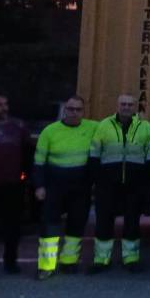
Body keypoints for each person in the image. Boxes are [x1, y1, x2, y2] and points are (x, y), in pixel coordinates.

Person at [34, 96, 98, 280]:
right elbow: (39, 162)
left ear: (83, 112)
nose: (74, 113)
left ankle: (69, 262)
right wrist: (39, 186)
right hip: (54, 186)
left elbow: (113, 128)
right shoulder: (50, 131)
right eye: (71, 109)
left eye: (78, 109)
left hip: (80, 187)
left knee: (76, 225)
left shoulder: (92, 127)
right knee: (50, 226)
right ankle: (46, 266)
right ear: (65, 110)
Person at [89, 94, 150, 274]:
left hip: (134, 185)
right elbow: (94, 154)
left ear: (135, 107)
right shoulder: (104, 126)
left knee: (132, 222)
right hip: (107, 184)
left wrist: (146, 186)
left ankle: (131, 259)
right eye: (123, 104)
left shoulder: (145, 127)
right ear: (117, 105)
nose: (126, 107)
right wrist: (97, 180)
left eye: (130, 104)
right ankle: (101, 259)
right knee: (104, 221)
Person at [0, 94, 31, 273]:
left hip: (13, 185)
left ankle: (10, 262)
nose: (3, 108)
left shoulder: (19, 127)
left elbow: (27, 154)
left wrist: (25, 178)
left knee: (12, 226)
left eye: (5, 104)